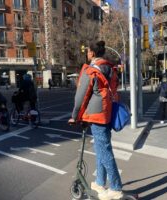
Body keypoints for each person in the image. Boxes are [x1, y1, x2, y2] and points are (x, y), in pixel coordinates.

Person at [68, 41, 123, 200]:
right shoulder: (110, 69)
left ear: (92, 53)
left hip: (97, 115)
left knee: (104, 150)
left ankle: (116, 187)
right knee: (101, 148)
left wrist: (75, 116)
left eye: (88, 51)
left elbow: (81, 96)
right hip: (107, 114)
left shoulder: (91, 70)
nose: (87, 54)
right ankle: (99, 183)